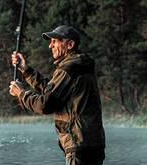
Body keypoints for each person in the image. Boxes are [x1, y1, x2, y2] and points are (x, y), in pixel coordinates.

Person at [9, 25, 106, 165]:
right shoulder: (79, 66)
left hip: (78, 144)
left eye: (55, 41)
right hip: (93, 143)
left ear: (70, 44)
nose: (50, 46)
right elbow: (53, 90)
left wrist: (21, 94)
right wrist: (26, 70)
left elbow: (45, 105)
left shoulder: (68, 68)